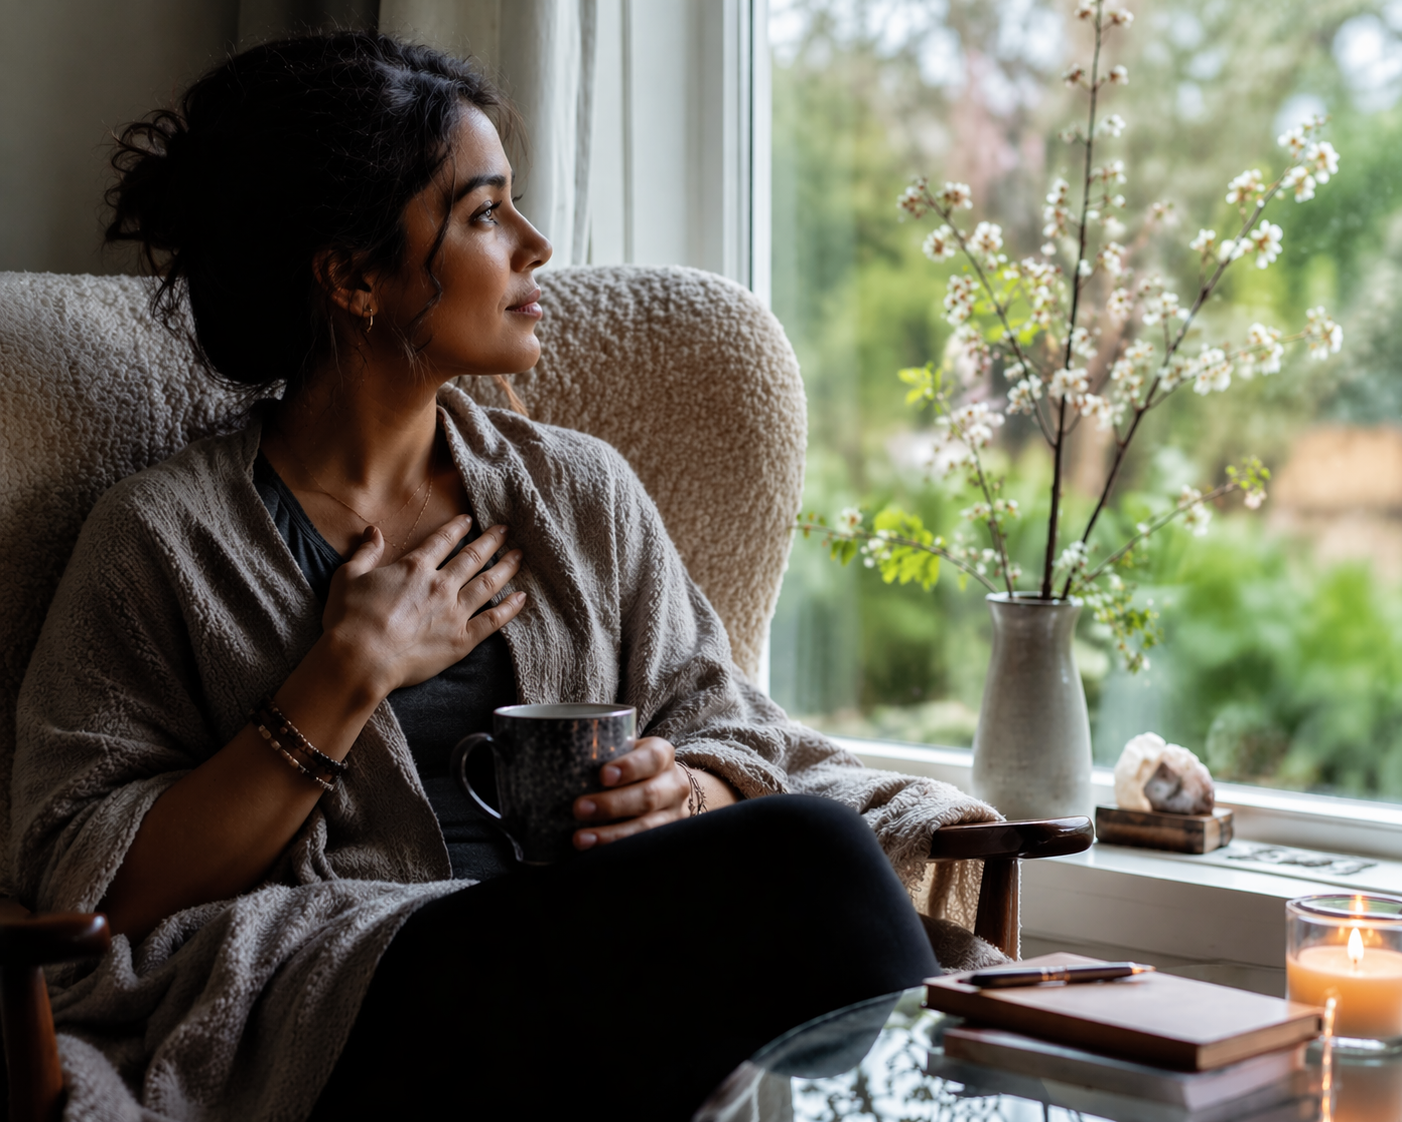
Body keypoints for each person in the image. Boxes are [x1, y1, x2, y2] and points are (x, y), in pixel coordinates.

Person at [10, 31, 995, 1122]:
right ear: (351, 276)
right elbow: (91, 885)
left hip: (589, 989)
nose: (535, 245)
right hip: (351, 1008)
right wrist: (344, 674)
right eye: (482, 214)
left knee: (815, 856)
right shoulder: (159, 538)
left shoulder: (578, 495)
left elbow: (727, 722)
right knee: (813, 854)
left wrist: (687, 793)